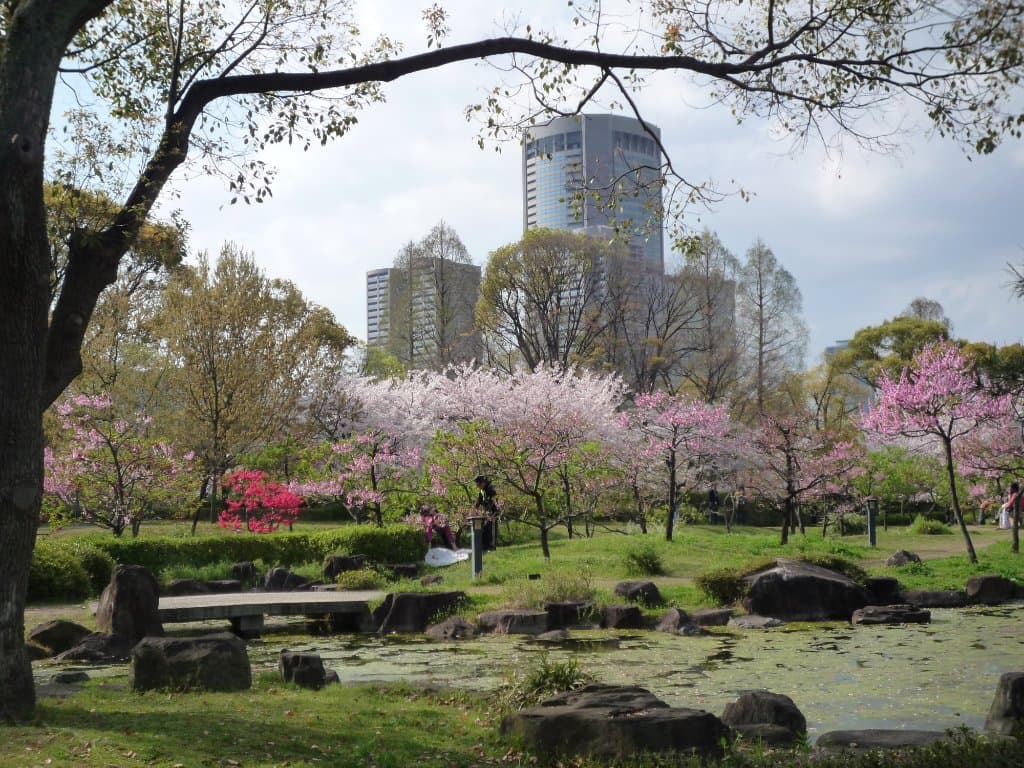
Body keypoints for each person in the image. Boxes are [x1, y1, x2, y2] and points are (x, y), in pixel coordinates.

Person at [474, 475, 499, 551]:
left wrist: (485, 511)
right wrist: (474, 509)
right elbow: (479, 501)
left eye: (478, 484)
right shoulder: (482, 491)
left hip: (493, 512)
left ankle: (491, 547)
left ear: (483, 482)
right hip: (487, 513)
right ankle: (484, 546)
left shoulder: (491, 488)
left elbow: (492, 501)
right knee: (484, 528)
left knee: (491, 529)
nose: (477, 486)